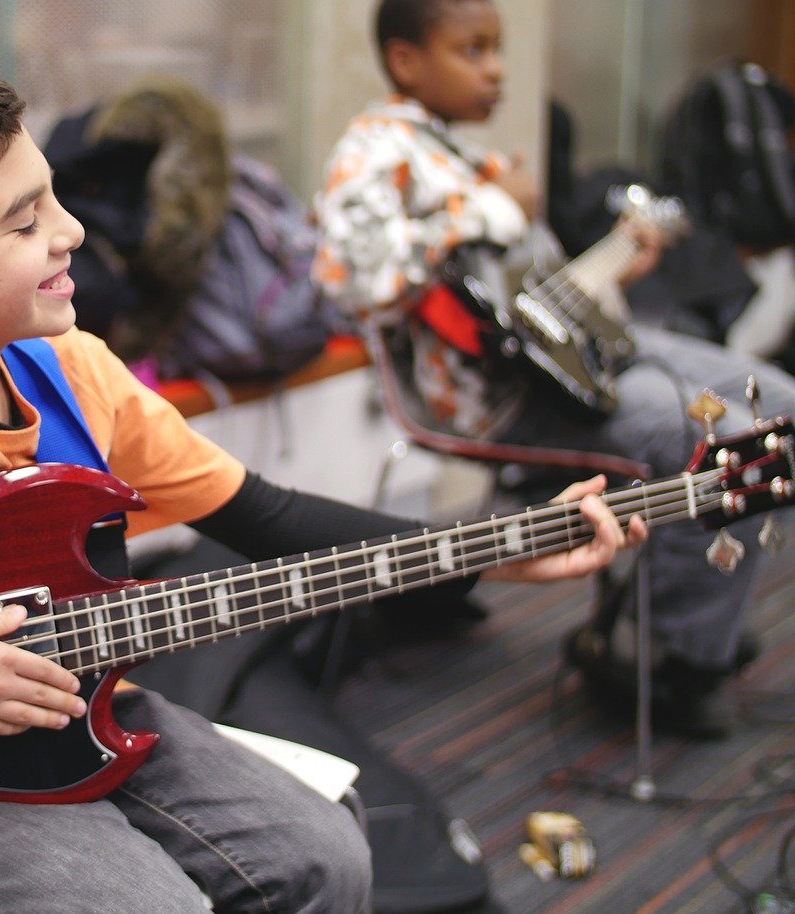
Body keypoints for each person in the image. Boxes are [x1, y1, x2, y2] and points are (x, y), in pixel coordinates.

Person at [0, 67, 637, 913]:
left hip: (64, 708)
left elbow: (258, 514)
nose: (74, 233)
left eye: (50, 196)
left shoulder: (71, 371)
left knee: (330, 855)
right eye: (23, 222)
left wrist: (495, 545)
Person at [313, 0, 795, 741]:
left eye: (496, 50)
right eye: (472, 51)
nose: (496, 68)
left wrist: (614, 268)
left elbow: (522, 308)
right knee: (726, 438)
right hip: (501, 399)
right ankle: (674, 657)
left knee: (778, 402)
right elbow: (348, 276)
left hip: (568, 361)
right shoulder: (376, 150)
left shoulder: (455, 152)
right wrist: (483, 211)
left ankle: (675, 617)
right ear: (407, 60)